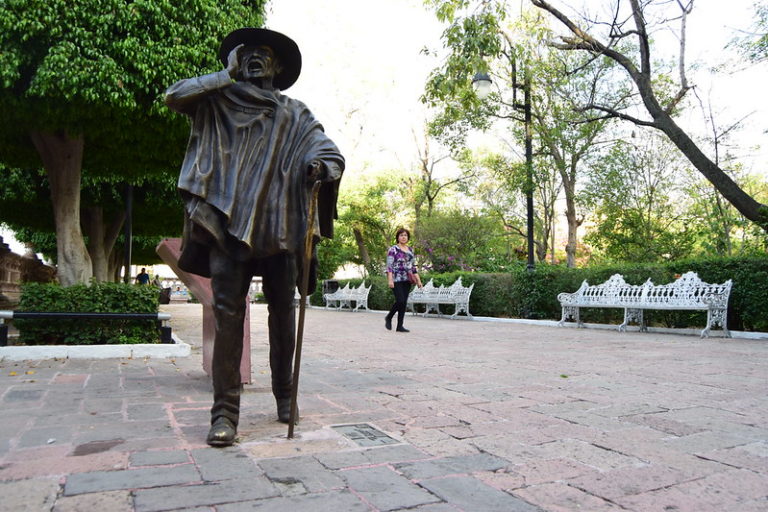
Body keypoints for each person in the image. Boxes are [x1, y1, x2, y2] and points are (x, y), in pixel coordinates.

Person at [165, 28, 344, 447]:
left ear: (278, 67)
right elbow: (175, 96)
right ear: (235, 63)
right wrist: (221, 77)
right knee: (228, 317)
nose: (255, 59)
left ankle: (285, 397)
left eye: (264, 54)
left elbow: (329, 150)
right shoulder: (219, 101)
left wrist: (321, 167)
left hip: (282, 225)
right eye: (246, 55)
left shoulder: (295, 113)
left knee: (283, 312)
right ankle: (224, 414)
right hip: (227, 226)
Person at [385, 228, 422, 333]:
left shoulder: (410, 250)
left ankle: (399, 326)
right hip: (396, 279)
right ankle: (389, 317)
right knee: (400, 300)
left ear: (408, 237)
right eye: (401, 235)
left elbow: (413, 267)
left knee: (403, 303)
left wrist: (418, 281)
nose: (403, 237)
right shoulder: (393, 249)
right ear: (397, 237)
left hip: (407, 280)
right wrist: (390, 280)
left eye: (405, 235)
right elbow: (389, 266)